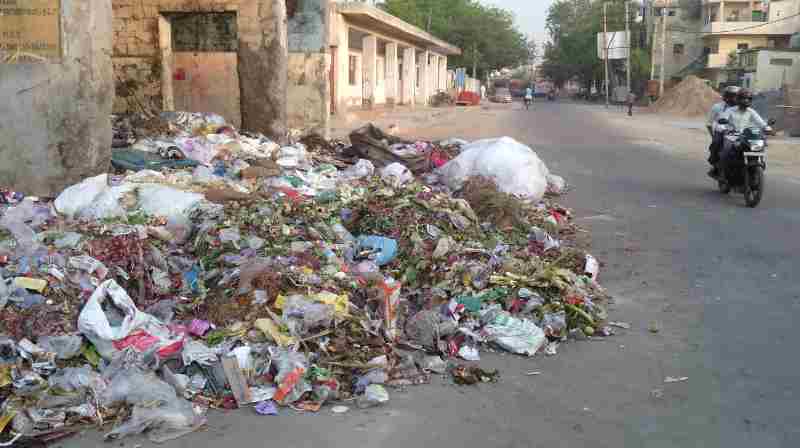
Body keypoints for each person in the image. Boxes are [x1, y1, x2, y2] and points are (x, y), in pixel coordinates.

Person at [716, 89, 772, 176]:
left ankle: (757, 165)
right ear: (738, 99)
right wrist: (723, 127)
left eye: (748, 99)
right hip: (732, 135)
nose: (746, 101)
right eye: (743, 98)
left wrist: (767, 128)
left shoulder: (751, 111)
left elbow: (761, 123)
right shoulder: (730, 110)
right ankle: (723, 171)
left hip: (747, 136)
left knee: (759, 147)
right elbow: (723, 120)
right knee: (727, 149)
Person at [706, 86, 740, 177]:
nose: (733, 99)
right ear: (725, 97)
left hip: (739, 132)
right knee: (716, 144)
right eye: (731, 96)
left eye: (736, 96)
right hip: (722, 132)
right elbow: (709, 124)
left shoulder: (742, 107)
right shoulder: (717, 107)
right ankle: (715, 166)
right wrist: (713, 136)